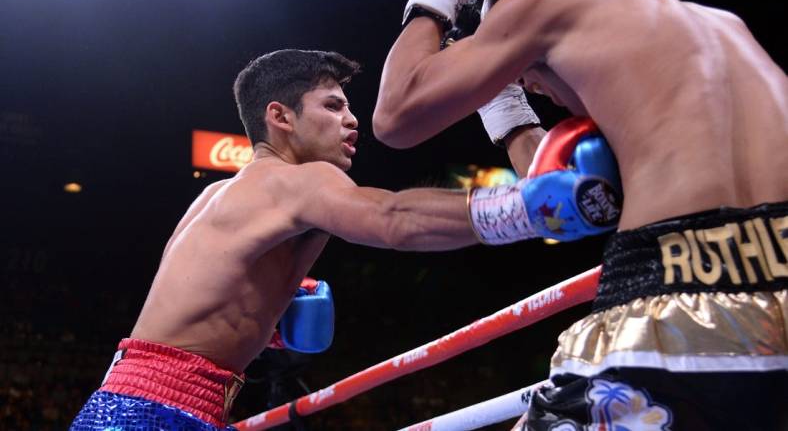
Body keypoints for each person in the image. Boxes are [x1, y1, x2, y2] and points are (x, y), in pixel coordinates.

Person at [69, 49, 619, 430]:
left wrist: (271, 329)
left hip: (129, 401)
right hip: (160, 414)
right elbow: (393, 219)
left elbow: (192, 308)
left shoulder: (218, 195)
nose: (352, 121)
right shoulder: (298, 182)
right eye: (333, 106)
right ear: (279, 117)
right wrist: (525, 209)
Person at [373, 0, 788, 429]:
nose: (529, 87)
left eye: (519, 71)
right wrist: (505, 109)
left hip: (671, 293)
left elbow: (395, 114)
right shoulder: (721, 26)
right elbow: (553, 187)